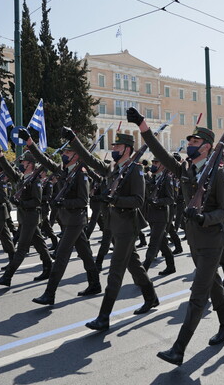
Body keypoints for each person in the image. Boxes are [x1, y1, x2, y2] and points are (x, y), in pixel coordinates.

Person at [128, 107, 224, 366]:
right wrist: (142, 125)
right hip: (194, 241)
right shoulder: (186, 169)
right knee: (214, 286)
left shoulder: (218, 173)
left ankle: (179, 348)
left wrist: (203, 218)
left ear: (207, 147)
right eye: (189, 141)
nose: (190, 145)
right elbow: (160, 152)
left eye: (195, 142)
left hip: (212, 240)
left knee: (198, 294)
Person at [61, 128, 158, 330]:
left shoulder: (136, 169)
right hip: (115, 225)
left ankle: (104, 317)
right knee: (134, 265)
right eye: (113, 147)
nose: (114, 149)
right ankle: (151, 297)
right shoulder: (113, 169)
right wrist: (74, 139)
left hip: (127, 227)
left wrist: (115, 199)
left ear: (128, 149)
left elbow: (139, 201)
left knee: (115, 271)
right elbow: (89, 159)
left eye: (118, 147)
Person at [17, 129, 102, 306]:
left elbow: (82, 201)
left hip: (76, 219)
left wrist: (62, 203)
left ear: (77, 156)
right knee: (85, 253)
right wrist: (30, 143)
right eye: (63, 151)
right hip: (68, 219)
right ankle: (95, 283)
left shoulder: (82, 173)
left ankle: (50, 293)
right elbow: (43, 160)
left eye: (68, 152)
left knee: (61, 255)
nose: (64, 154)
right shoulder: (63, 171)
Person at [0, 147, 53, 287]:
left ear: (30, 164)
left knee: (22, 248)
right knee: (40, 245)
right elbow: (8, 169)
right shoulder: (22, 177)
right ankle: (49, 267)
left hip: (31, 216)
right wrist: (0, 156)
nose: (21, 164)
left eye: (24, 162)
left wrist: (21, 203)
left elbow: (37, 201)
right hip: (25, 216)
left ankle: (8, 276)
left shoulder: (36, 180)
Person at [142, 158, 176, 276]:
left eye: (156, 162)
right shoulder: (152, 178)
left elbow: (170, 199)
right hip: (151, 214)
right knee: (162, 243)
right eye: (153, 163)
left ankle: (143, 271)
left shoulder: (167, 179)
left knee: (153, 242)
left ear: (162, 165)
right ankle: (171, 266)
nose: (153, 165)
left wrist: (157, 201)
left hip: (161, 216)